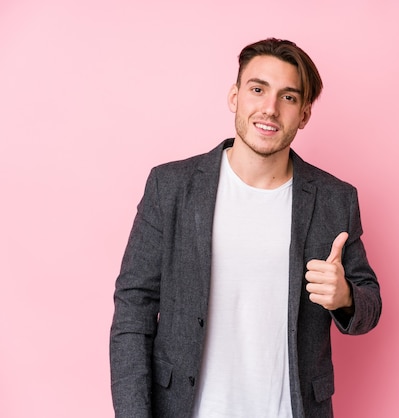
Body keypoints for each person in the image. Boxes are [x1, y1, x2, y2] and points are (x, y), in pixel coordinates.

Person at [110, 38, 382, 418]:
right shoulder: (170, 187)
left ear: (303, 114)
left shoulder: (335, 200)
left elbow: (370, 305)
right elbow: (132, 311)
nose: (269, 109)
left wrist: (346, 297)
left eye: (288, 98)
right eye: (258, 90)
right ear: (235, 96)